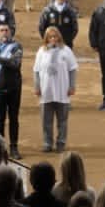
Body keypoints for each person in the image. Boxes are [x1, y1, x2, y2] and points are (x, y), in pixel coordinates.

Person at [34, 26, 78, 154]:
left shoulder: (66, 51)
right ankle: (47, 143)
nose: (53, 39)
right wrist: (37, 86)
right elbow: (36, 70)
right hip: (46, 91)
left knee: (62, 120)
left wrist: (72, 86)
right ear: (46, 38)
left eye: (55, 36)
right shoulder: (41, 51)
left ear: (59, 37)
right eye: (50, 36)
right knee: (46, 120)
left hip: (62, 90)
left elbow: (73, 69)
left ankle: (61, 143)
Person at [0, 24, 25, 159]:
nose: (4, 33)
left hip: (14, 87)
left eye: (6, 30)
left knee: (13, 118)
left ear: (10, 32)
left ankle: (14, 147)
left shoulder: (16, 46)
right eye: (1, 30)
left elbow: (15, 63)